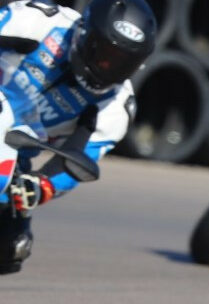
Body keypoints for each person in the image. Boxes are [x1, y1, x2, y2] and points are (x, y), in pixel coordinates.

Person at [0, 0, 155, 274]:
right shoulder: (40, 23)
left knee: (12, 246)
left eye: (122, 64)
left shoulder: (116, 106)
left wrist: (40, 186)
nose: (107, 67)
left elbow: (80, 158)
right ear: (85, 34)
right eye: (104, 54)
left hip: (12, 155)